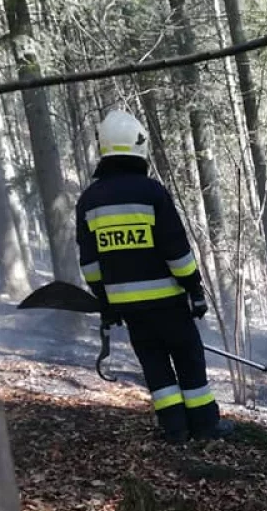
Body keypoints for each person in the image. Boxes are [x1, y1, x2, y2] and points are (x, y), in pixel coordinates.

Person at [75, 109, 222, 444]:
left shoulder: (89, 201)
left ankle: (174, 428)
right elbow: (176, 252)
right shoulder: (152, 193)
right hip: (168, 301)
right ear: (138, 147)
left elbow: (90, 262)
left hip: (130, 308)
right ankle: (205, 426)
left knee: (154, 364)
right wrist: (194, 288)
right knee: (188, 358)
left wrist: (105, 302)